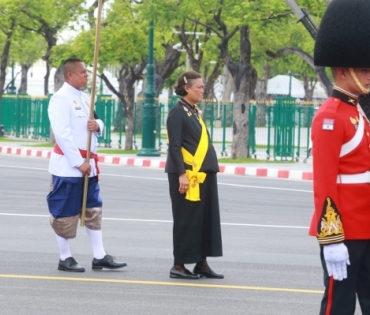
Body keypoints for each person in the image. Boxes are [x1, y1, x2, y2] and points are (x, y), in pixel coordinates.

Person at [309, 0, 370, 313]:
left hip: (367, 224)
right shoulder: (329, 116)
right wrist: (331, 238)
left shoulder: (357, 111)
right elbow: (324, 183)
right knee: (340, 305)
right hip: (344, 228)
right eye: (364, 69)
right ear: (344, 71)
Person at [47, 57, 127, 272]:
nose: (86, 75)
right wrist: (78, 162)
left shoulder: (85, 98)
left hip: (89, 164)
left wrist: (97, 124)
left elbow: (98, 121)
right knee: (64, 211)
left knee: (93, 208)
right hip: (69, 166)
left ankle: (99, 255)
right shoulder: (60, 98)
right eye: (83, 72)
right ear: (70, 74)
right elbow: (62, 135)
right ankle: (65, 257)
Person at [165, 71, 223, 280]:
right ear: (186, 88)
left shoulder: (193, 111)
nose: (202, 90)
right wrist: (181, 174)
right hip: (187, 174)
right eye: (198, 87)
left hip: (203, 174)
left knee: (204, 219)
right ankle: (179, 265)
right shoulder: (177, 112)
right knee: (186, 220)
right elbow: (174, 147)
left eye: (202, 87)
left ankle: (201, 262)